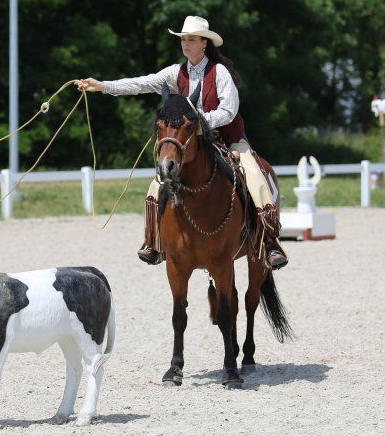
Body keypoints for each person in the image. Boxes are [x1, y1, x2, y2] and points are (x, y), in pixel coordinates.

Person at [75, 16, 287, 270]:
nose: (186, 44)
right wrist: (102, 86)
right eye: (184, 40)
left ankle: (270, 242)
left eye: (191, 40)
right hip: (188, 144)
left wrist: (200, 121)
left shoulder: (219, 73)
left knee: (254, 175)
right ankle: (153, 242)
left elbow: (229, 110)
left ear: (204, 44)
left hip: (227, 139)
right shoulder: (176, 73)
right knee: (157, 185)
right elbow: (142, 83)